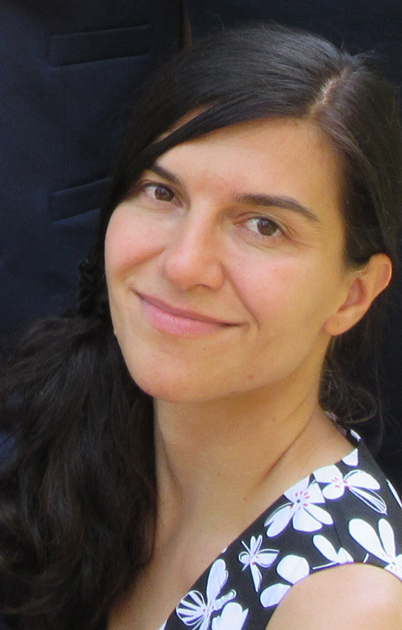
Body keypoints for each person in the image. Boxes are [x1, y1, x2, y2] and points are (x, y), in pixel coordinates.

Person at [1, 23, 402, 630]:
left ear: (353, 295)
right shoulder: (73, 430)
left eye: (263, 225)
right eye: (162, 193)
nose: (184, 263)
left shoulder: (340, 606)